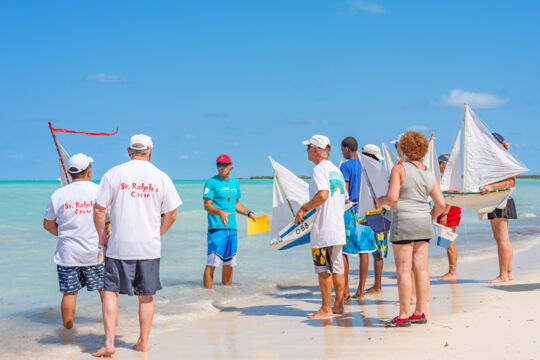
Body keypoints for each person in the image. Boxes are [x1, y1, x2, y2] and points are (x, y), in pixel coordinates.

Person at [92, 134, 182, 357]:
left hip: (118, 245)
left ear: (129, 151)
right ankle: (142, 342)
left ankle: (110, 343)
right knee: (146, 296)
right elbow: (171, 215)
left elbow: (98, 210)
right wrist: (156, 234)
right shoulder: (161, 176)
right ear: (151, 152)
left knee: (111, 292)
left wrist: (102, 236)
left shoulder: (113, 173)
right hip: (149, 247)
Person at [376, 131, 445, 327]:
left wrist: (379, 200)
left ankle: (404, 315)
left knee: (404, 271)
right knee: (421, 269)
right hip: (423, 222)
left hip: (404, 222)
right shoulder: (428, 172)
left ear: (404, 148)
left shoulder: (399, 169)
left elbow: (392, 199)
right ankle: (419, 313)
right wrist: (429, 217)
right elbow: (441, 204)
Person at [43, 153, 104, 329]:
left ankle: (68, 333)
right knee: (105, 291)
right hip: (95, 251)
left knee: (69, 293)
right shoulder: (99, 191)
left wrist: (64, 234)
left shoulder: (59, 194)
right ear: (89, 172)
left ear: (69, 173)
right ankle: (111, 327)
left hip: (67, 254)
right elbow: (109, 219)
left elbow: (48, 224)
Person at [295, 135, 347, 319]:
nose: (306, 150)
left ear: (316, 149)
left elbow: (323, 194)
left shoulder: (319, 169)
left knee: (323, 269)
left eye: (308, 147)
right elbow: (344, 199)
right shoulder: (337, 171)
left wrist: (304, 208)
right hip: (338, 227)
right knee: (338, 268)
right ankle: (339, 306)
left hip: (324, 229)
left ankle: (326, 309)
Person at [203, 154, 257, 289]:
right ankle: (207, 296)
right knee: (212, 263)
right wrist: (220, 212)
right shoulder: (211, 182)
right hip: (217, 228)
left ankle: (226, 294)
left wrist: (249, 213)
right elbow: (207, 205)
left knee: (229, 262)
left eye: (224, 164)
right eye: (219, 165)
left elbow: (236, 204)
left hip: (232, 228)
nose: (221, 167)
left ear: (231, 166)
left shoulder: (235, 183)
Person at [340, 137, 377, 301]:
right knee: (365, 251)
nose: (342, 153)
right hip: (367, 211)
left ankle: (345, 290)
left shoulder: (345, 166)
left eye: (342, 150)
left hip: (351, 210)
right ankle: (361, 290)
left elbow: (345, 192)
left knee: (344, 252)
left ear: (347, 149)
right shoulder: (368, 166)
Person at [481, 132, 518, 284]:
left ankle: (503, 274)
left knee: (502, 240)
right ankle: (508, 273)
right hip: (502, 200)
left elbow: (510, 181)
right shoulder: (502, 159)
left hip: (500, 201)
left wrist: (490, 186)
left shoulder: (502, 161)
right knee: (504, 239)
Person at [360, 144, 387, 297]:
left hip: (378, 215)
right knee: (372, 250)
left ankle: (377, 286)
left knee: (377, 252)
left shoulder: (377, 171)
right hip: (375, 215)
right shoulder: (377, 171)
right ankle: (376, 285)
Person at [436, 154, 462, 281]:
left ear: (445, 164)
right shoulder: (445, 178)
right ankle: (451, 270)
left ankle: (452, 271)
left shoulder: (451, 178)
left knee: (449, 242)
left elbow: (452, 196)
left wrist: (445, 213)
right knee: (448, 242)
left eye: (439, 163)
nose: (438, 165)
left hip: (450, 212)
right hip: (447, 211)